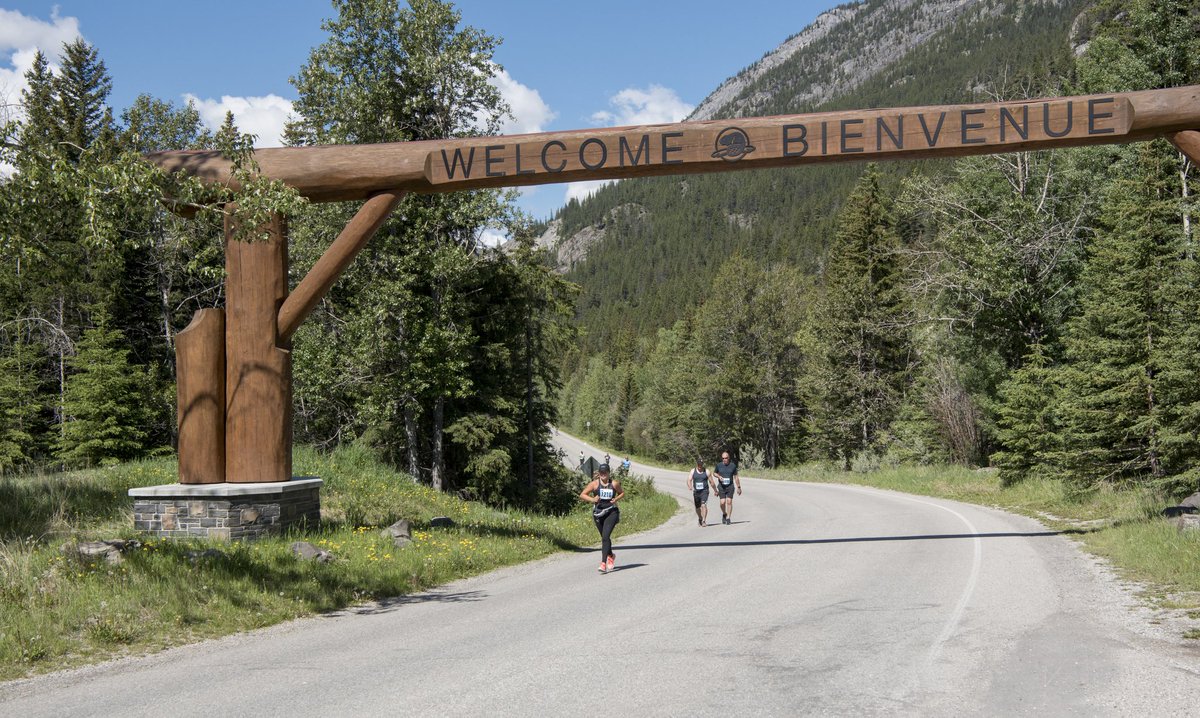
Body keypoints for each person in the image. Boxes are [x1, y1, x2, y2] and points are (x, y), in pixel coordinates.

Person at [580, 463, 624, 573]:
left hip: (611, 512)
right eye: (601, 472)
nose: (603, 474)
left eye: (605, 472)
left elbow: (622, 493)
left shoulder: (614, 484)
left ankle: (603, 563)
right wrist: (592, 500)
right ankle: (611, 555)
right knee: (605, 538)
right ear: (599, 473)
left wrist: (616, 499)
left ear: (609, 473)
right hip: (598, 514)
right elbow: (582, 494)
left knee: (605, 536)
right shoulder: (594, 484)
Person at [714, 451, 742, 524]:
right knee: (722, 502)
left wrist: (739, 487)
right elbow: (714, 473)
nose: (724, 459)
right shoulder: (719, 465)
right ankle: (724, 514)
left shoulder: (733, 466)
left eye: (726, 458)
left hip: (730, 486)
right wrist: (719, 476)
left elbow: (736, 477)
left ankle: (728, 518)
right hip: (721, 486)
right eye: (723, 458)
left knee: (729, 501)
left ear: (728, 458)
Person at [687, 459, 716, 527]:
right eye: (699, 465)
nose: (700, 466)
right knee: (697, 508)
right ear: (697, 464)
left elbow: (711, 482)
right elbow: (689, 480)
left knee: (703, 505)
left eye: (701, 465)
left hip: (704, 491)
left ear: (702, 464)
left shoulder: (707, 471)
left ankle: (703, 521)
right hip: (696, 492)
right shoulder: (693, 471)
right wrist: (690, 486)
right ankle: (700, 518)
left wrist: (715, 490)